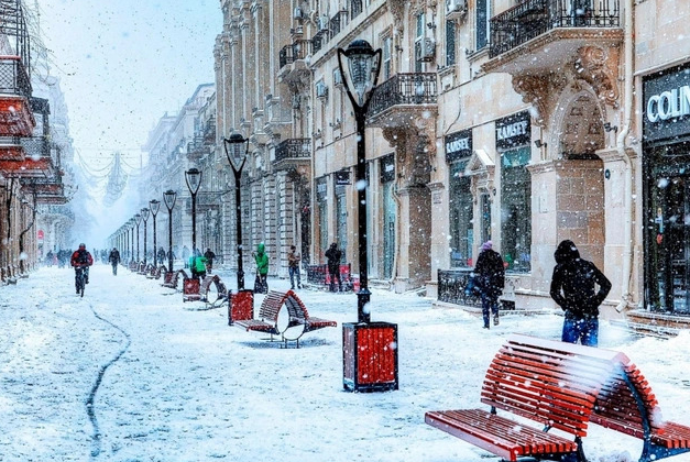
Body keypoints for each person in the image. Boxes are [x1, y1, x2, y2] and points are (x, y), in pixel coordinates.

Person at [550, 239, 611, 347]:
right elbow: (606, 284)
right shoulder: (588, 266)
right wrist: (595, 301)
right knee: (591, 353)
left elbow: (554, 291)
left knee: (567, 351)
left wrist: (566, 304)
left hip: (573, 314)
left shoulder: (560, 268)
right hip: (590, 314)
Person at [474, 240, 505, 329]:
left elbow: (477, 270)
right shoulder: (497, 256)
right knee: (494, 302)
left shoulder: (482, 256)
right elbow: (501, 271)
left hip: (485, 284)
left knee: (485, 305)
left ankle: (486, 323)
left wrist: (479, 282)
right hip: (495, 284)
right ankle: (495, 317)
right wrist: (500, 285)